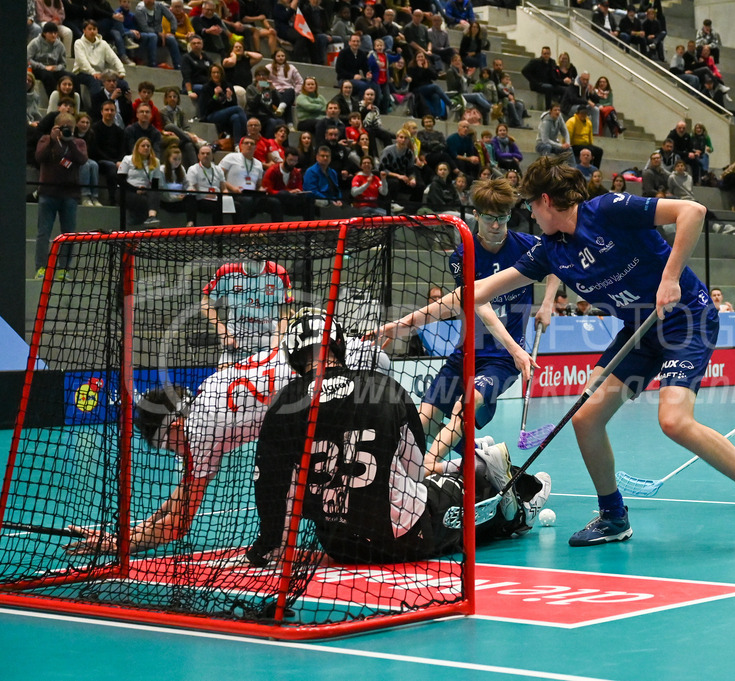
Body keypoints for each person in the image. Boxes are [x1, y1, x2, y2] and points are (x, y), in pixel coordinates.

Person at [461, 156, 735, 548]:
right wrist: (409, 321)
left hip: (684, 317)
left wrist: (671, 277)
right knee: (586, 419)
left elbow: (693, 211)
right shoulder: (550, 251)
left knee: (674, 420)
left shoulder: (607, 209)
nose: (531, 216)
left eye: (531, 207)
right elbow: (480, 290)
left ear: (546, 201)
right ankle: (613, 516)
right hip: (639, 331)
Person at [62, 310, 391, 555]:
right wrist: (129, 529)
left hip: (342, 375)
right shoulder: (206, 395)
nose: (177, 452)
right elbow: (183, 493)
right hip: (340, 358)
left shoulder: (201, 431)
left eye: (169, 446)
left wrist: (116, 545)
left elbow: (178, 524)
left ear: (174, 426)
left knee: (302, 475)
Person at [242, 310, 552, 569]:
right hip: (403, 540)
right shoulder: (383, 388)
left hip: (339, 545)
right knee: (471, 489)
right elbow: (415, 472)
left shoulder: (283, 405)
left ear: (293, 357)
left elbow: (269, 486)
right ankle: (515, 511)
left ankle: (469, 466)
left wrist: (268, 545)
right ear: (338, 344)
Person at [379, 177, 559, 479]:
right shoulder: (463, 254)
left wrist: (547, 303)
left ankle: (427, 468)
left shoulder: (527, 246)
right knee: (424, 416)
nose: (497, 225)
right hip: (467, 353)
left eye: (503, 217)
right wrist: (403, 325)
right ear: (477, 215)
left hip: (501, 361)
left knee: (467, 404)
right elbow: (477, 303)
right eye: (490, 218)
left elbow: (556, 261)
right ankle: (402, 467)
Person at [200, 245, 293, 367]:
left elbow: (285, 314)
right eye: (251, 246)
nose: (256, 251)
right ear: (241, 249)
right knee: (222, 377)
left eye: (259, 246)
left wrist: (274, 347)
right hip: (236, 343)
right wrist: (224, 333)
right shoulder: (227, 271)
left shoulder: (278, 273)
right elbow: (205, 303)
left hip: (269, 341)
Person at [35, 112, 87, 280]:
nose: (66, 130)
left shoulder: (79, 142)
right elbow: (39, 157)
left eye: (70, 128)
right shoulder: (45, 140)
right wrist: (51, 139)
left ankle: (64, 269)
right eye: (63, 127)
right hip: (48, 194)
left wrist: (70, 141)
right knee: (43, 233)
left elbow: (82, 160)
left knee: (68, 234)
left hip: (69, 195)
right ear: (55, 127)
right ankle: (41, 268)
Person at [117, 137, 164, 227]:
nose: (146, 148)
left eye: (148, 146)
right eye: (143, 146)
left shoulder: (156, 162)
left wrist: (146, 190)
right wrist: (136, 189)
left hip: (145, 191)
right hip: (127, 191)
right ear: (137, 147)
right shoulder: (127, 159)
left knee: (155, 193)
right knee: (146, 201)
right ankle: (139, 220)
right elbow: (120, 180)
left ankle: (152, 217)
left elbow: (155, 183)